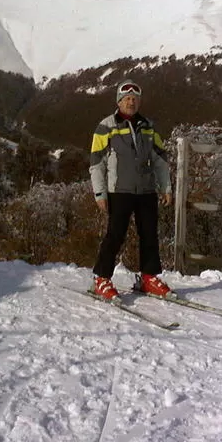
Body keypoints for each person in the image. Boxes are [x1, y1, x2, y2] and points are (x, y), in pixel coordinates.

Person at [89, 79, 173, 301]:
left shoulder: (148, 127)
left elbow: (160, 160)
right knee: (115, 234)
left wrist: (165, 187)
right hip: (119, 190)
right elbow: (96, 163)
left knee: (149, 234)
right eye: (127, 98)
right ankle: (101, 277)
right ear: (119, 101)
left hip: (146, 190)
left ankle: (149, 277)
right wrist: (99, 193)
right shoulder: (105, 127)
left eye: (135, 98)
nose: (131, 101)